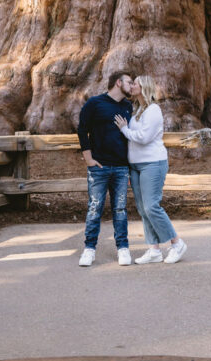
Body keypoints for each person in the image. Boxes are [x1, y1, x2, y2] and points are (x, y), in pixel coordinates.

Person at [114, 75, 187, 264]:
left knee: (151, 206)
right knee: (142, 208)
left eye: (135, 83)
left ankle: (177, 243)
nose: (132, 86)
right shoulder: (137, 109)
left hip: (153, 163)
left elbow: (144, 137)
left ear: (143, 87)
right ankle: (154, 250)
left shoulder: (154, 110)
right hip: (136, 166)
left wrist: (124, 130)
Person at [77, 71, 133, 267]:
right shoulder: (95, 103)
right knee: (94, 208)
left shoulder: (128, 106)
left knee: (120, 209)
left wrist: (128, 167)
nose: (132, 85)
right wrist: (89, 159)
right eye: (129, 82)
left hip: (120, 167)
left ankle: (123, 248)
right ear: (118, 83)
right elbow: (82, 129)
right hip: (99, 167)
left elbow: (129, 138)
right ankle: (89, 249)